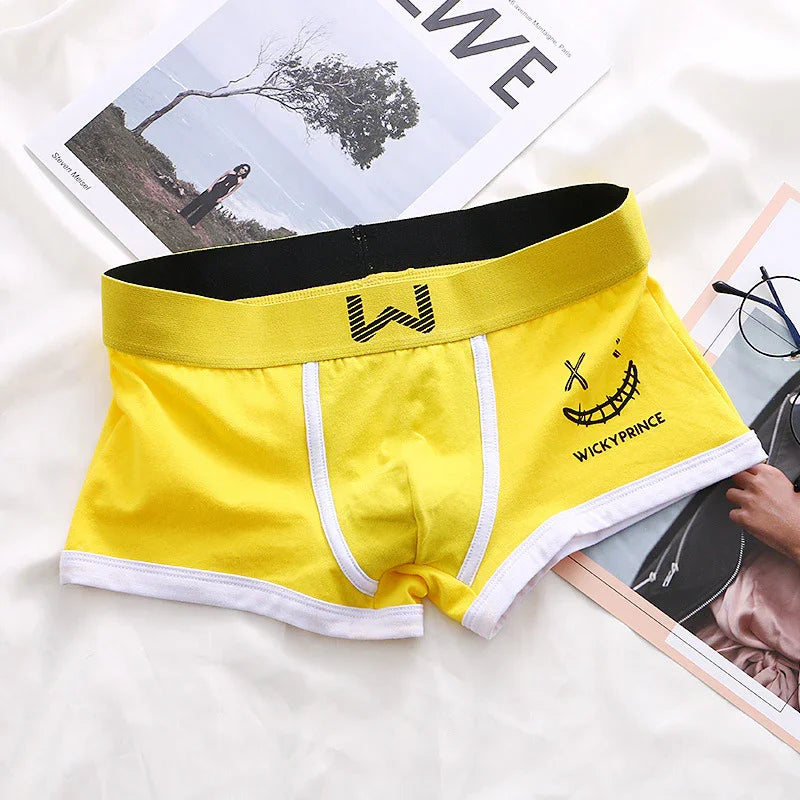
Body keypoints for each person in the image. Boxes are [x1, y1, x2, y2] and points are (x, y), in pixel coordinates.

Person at [177, 163, 251, 228]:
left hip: (222, 193)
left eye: (245, 170)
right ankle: (183, 213)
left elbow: (232, 191)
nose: (242, 171)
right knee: (199, 201)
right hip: (216, 187)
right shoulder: (230, 171)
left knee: (206, 208)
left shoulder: (240, 181)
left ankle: (192, 222)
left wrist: (222, 198)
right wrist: (210, 186)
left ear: (245, 173)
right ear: (240, 167)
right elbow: (219, 178)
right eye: (243, 168)